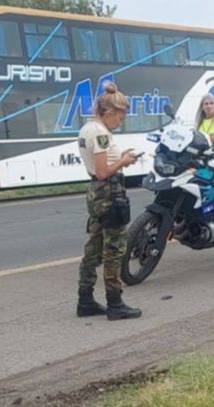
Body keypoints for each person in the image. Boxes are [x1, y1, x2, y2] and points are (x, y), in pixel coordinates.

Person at [76, 83, 143, 321]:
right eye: (121, 115)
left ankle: (85, 300)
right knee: (114, 247)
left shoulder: (87, 128)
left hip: (95, 191)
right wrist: (123, 161)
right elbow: (104, 171)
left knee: (93, 246)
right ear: (109, 112)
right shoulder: (101, 133)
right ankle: (115, 302)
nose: (121, 121)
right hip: (108, 191)